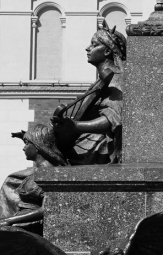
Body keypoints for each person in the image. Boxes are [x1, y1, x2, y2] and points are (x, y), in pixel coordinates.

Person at [50, 20, 125, 165]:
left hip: (100, 147)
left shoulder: (116, 79)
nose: (87, 48)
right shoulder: (101, 81)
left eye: (94, 45)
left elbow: (114, 120)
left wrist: (75, 126)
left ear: (107, 51)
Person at [0, 124, 67, 231]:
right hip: (19, 221)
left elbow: (46, 209)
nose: (23, 148)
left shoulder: (52, 174)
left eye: (27, 143)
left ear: (37, 146)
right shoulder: (33, 174)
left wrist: (10, 220)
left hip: (31, 225)